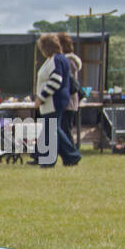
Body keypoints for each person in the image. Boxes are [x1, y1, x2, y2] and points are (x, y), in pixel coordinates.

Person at [34, 33, 80, 167]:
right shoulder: (59, 59)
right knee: (55, 130)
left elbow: (55, 80)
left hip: (53, 101)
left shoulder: (56, 60)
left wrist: (41, 98)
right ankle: (70, 156)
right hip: (55, 101)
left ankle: (55, 159)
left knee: (52, 131)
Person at [58, 33, 82, 140]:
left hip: (68, 101)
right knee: (64, 130)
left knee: (65, 130)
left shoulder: (68, 61)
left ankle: (72, 154)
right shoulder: (68, 60)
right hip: (68, 101)